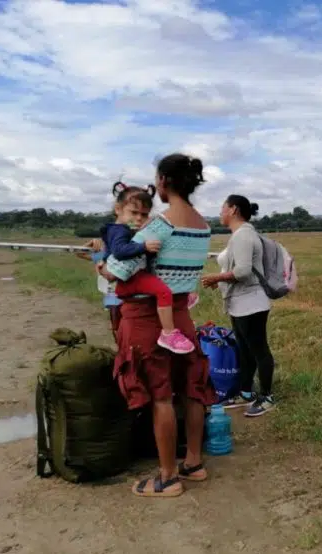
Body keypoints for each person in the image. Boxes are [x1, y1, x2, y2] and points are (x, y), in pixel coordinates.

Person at [98, 153, 214, 498]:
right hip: (180, 316)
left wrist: (101, 265)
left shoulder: (158, 225)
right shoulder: (203, 225)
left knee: (161, 396)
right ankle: (193, 463)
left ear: (163, 182)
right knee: (193, 388)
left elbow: (118, 271)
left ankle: (167, 477)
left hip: (148, 318)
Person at [201, 194, 276, 418]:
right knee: (245, 350)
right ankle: (245, 392)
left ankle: (267, 397)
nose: (220, 212)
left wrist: (217, 277)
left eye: (222, 207)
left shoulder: (243, 236)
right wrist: (222, 279)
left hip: (251, 303)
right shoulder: (240, 234)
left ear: (233, 210)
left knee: (259, 350)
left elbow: (242, 271)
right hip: (240, 303)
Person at [101, 181, 197, 354]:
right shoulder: (119, 230)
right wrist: (143, 247)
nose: (139, 218)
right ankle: (168, 333)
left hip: (136, 276)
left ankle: (182, 295)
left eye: (144, 215)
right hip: (130, 279)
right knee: (163, 292)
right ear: (118, 209)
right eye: (134, 212)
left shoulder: (131, 230)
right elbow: (119, 251)